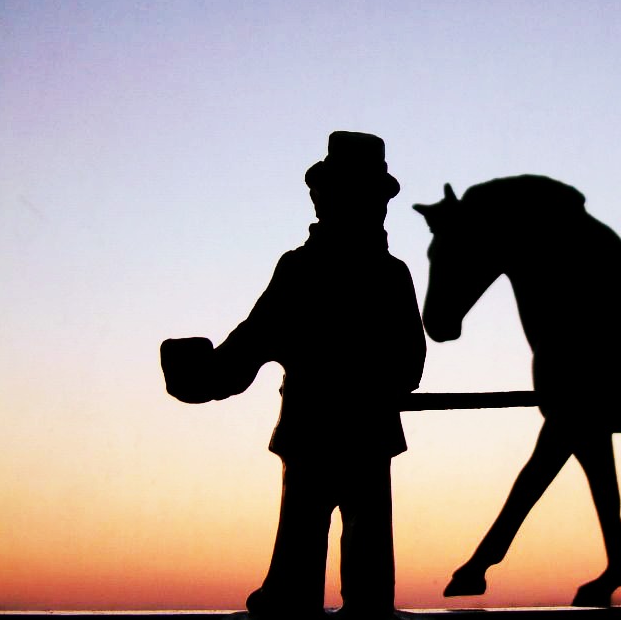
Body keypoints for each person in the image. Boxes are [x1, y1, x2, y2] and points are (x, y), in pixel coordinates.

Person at [161, 131, 426, 619]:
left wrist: (197, 373)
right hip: (357, 435)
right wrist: (199, 374)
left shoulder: (312, 271)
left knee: (323, 560)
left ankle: (299, 599)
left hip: (319, 433)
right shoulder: (377, 273)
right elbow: (409, 366)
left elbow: (244, 353)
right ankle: (307, 599)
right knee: (338, 560)